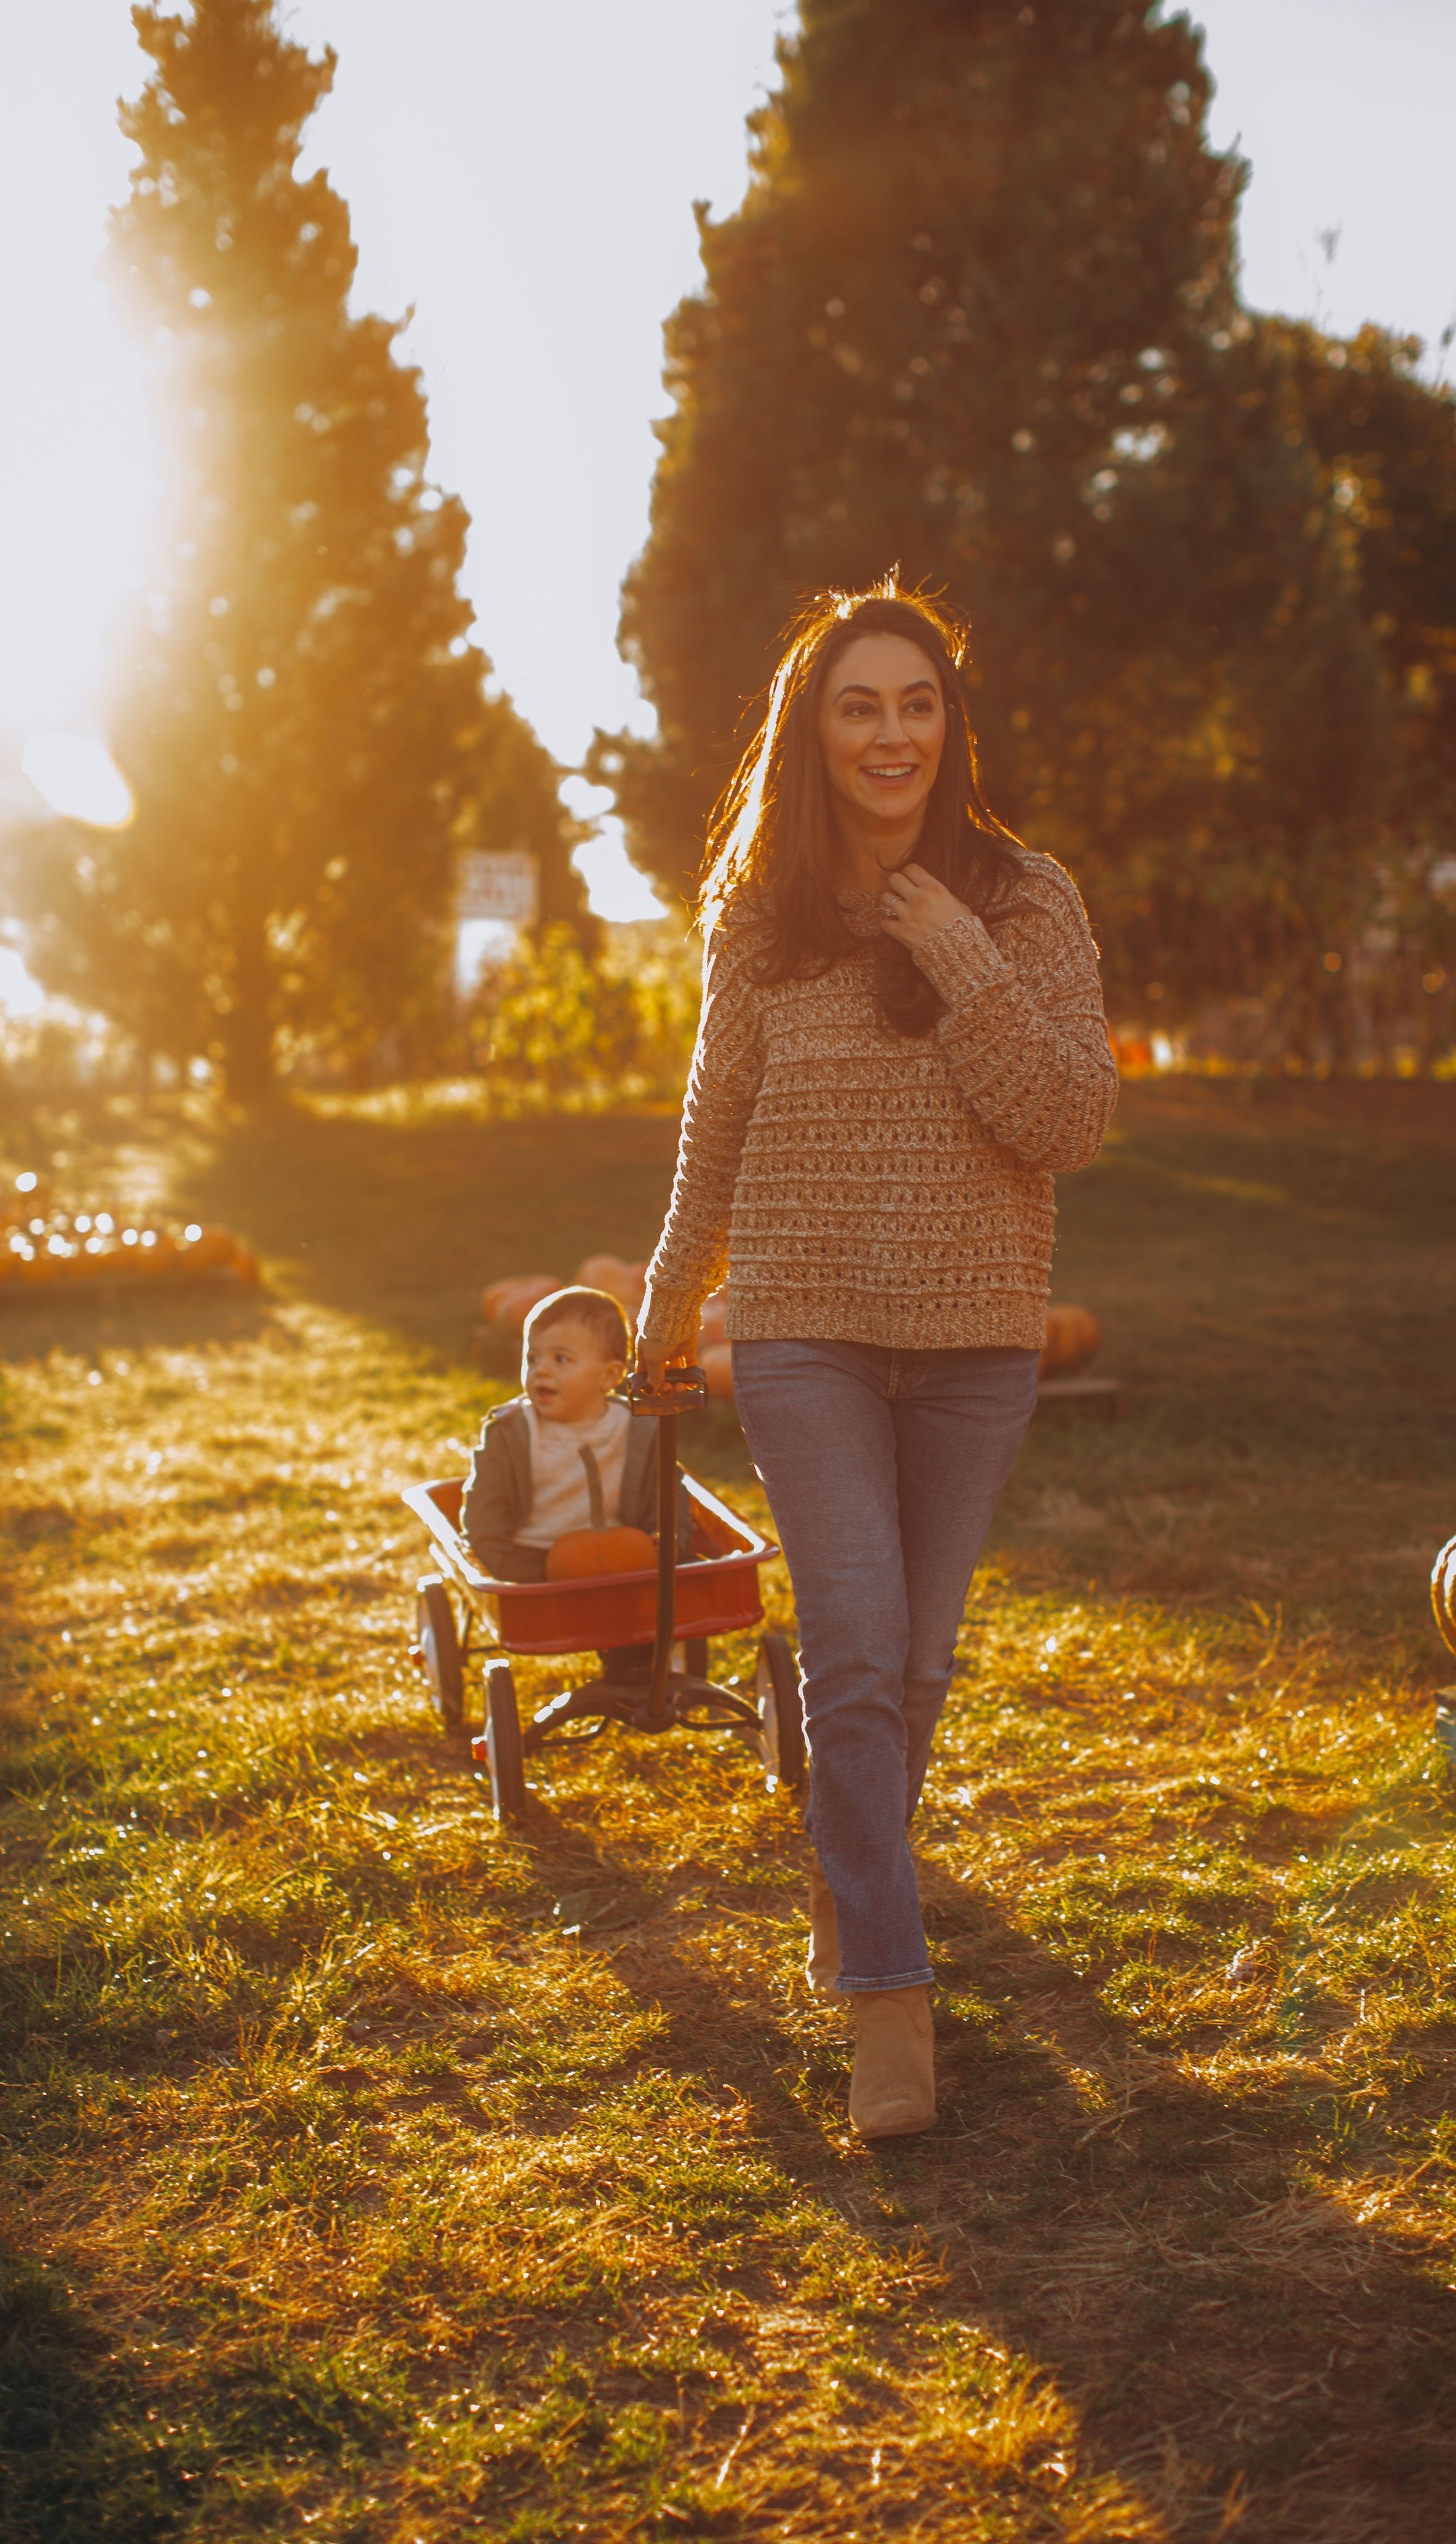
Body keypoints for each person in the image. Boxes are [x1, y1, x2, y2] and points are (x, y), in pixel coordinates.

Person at [635, 578, 1116, 2140]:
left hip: (976, 1337)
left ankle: (851, 1888)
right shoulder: (757, 915)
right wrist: (664, 1295)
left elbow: (1070, 1123)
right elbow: (712, 1127)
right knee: (848, 1645)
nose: (890, 732)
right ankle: (886, 2003)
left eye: (915, 703)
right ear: (812, 730)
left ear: (947, 723)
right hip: (802, 1328)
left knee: (908, 1668)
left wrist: (963, 956)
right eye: (858, 704)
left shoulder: (1026, 897)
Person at [462, 1287, 695, 1616]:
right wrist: (496, 1562)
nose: (541, 1370)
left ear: (609, 1375)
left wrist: (668, 1536)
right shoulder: (511, 1432)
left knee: (651, 1601)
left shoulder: (638, 1429)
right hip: (531, 1557)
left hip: (622, 1554)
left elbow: (668, 1491)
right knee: (533, 1602)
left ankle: (632, 1663)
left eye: (561, 1359)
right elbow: (485, 1505)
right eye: (533, 1358)